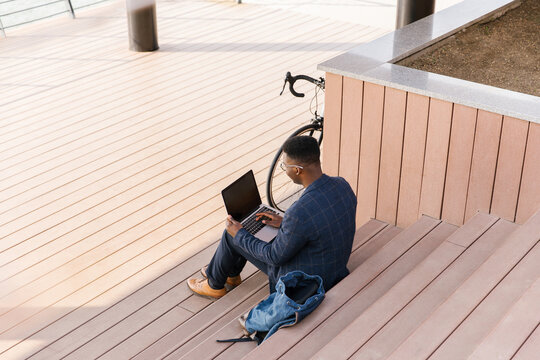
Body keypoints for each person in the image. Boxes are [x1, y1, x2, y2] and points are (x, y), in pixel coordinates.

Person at [187, 136, 357, 299]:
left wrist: (239, 234)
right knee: (241, 232)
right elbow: (321, 220)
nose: (285, 170)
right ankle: (229, 273)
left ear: (297, 170)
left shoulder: (299, 212)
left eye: (285, 166)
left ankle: (214, 284)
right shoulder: (342, 185)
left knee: (233, 233)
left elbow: (273, 256)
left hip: (303, 282)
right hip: (333, 267)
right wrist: (284, 222)